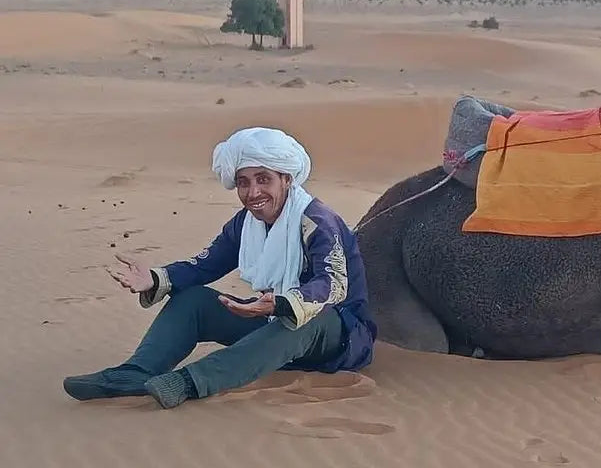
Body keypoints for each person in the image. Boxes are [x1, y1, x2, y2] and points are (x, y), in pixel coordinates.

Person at [63, 126, 378, 409]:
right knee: (193, 300)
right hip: (272, 324)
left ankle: (189, 382)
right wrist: (158, 278)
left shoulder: (319, 223)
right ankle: (134, 374)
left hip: (340, 338)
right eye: (243, 182)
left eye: (263, 179)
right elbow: (205, 264)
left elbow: (334, 285)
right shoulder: (246, 224)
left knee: (299, 320)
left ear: (286, 178)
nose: (253, 193)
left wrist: (283, 302)